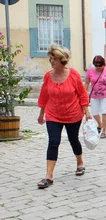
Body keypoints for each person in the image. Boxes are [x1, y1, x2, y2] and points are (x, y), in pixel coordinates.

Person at [37, 45, 92, 188]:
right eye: (51, 58)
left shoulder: (73, 74)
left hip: (73, 114)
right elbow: (44, 95)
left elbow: (82, 94)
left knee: (73, 139)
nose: (52, 61)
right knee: (53, 141)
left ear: (62, 60)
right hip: (53, 114)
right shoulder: (48, 76)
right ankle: (48, 176)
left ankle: (80, 162)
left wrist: (87, 112)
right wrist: (41, 114)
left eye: (54, 58)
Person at [85, 55, 106, 139]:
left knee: (104, 111)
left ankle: (104, 131)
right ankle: (100, 125)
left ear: (104, 64)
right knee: (95, 113)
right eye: (96, 66)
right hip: (94, 94)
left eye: (100, 66)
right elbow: (86, 83)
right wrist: (84, 93)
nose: (98, 67)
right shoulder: (90, 71)